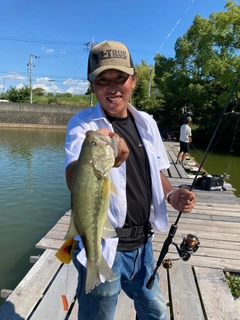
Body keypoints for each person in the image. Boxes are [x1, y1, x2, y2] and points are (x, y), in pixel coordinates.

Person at [64, 40, 196, 320]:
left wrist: (172, 195)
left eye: (120, 78)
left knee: (156, 310)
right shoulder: (83, 126)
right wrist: (96, 159)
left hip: (144, 245)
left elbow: (156, 171)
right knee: (99, 315)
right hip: (103, 245)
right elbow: (72, 176)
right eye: (103, 80)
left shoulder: (147, 122)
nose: (112, 88)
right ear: (93, 86)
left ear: (133, 80)